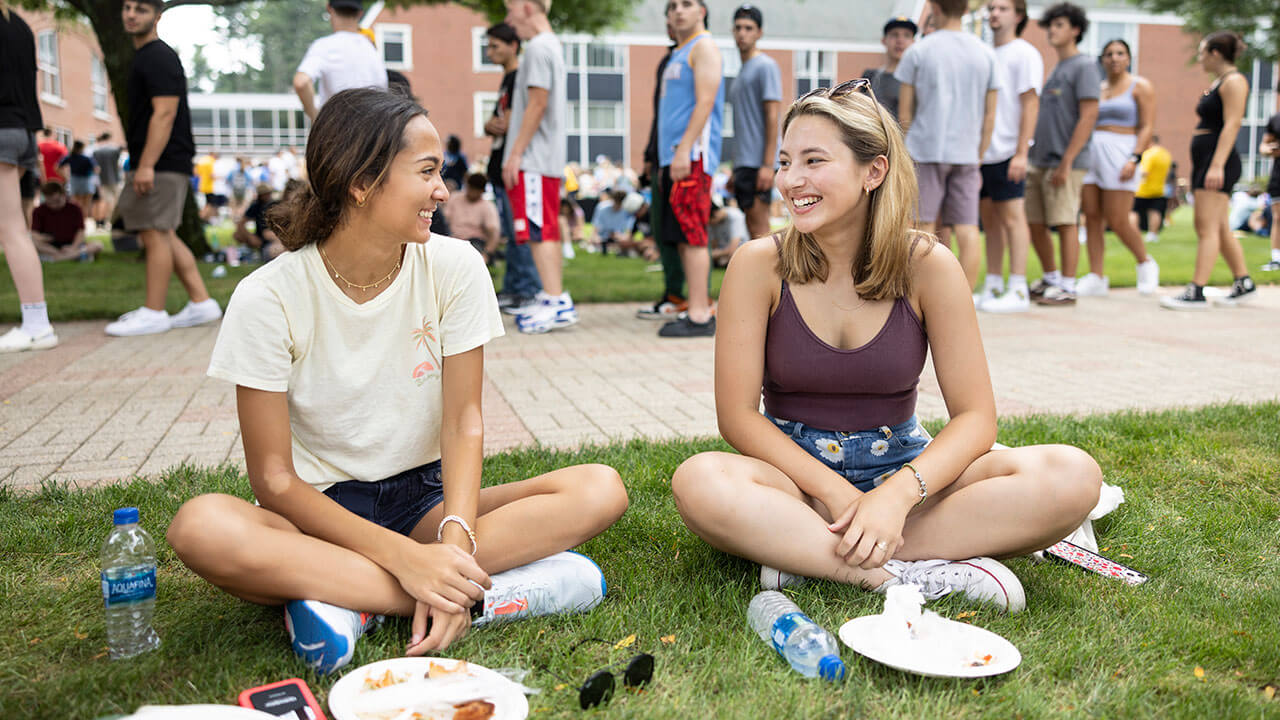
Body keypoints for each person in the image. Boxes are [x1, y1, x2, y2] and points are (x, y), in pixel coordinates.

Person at [166, 88, 628, 675]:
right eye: (428, 171)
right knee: (201, 527)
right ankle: (471, 595)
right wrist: (408, 562)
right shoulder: (268, 296)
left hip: (424, 503)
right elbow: (275, 480)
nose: (443, 189)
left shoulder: (455, 265)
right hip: (318, 514)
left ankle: (348, 602)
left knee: (600, 488)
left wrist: (453, 542)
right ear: (361, 182)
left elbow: (464, 421)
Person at [670, 79, 1102, 613]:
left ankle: (805, 552)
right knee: (700, 480)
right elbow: (737, 417)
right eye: (785, 162)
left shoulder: (929, 266)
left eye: (813, 161)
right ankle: (896, 574)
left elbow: (975, 420)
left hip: (904, 467)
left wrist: (895, 497)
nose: (790, 181)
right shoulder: (757, 265)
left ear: (873, 171)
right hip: (796, 480)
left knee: (1073, 475)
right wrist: (842, 496)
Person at [108, 0, 222, 336]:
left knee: (154, 232)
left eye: (140, 9)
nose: (130, 14)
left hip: (160, 162)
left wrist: (145, 165)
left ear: (157, 17)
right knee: (164, 232)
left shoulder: (158, 57)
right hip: (162, 161)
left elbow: (165, 114)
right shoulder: (146, 56)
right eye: (126, 7)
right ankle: (201, 303)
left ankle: (154, 312)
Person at [896, 0, 999, 291]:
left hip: (924, 149)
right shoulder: (986, 54)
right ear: (965, 10)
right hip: (966, 152)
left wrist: (905, 152)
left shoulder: (918, 51)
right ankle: (963, 298)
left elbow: (905, 114)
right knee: (967, 228)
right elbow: (990, 114)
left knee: (921, 226)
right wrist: (978, 154)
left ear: (935, 9)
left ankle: (918, 294)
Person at [1161, 32, 1256, 309]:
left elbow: (1233, 124)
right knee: (1221, 227)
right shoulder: (1220, 82)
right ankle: (1243, 282)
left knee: (1206, 227)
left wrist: (1216, 165)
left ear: (1216, 53)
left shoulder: (1234, 81)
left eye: (1202, 52)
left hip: (1218, 161)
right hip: (1209, 159)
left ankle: (1197, 291)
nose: (1199, 58)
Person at [502, 0, 575, 334]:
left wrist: (515, 154)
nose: (508, 17)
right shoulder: (551, 46)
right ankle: (553, 297)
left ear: (528, 6)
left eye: (510, 8)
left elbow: (537, 103)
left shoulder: (537, 49)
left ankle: (555, 299)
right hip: (544, 158)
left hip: (533, 158)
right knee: (543, 226)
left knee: (538, 229)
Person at [655, 0, 724, 338]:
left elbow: (706, 102)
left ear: (702, 11)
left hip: (692, 157)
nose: (678, 11)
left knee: (694, 234)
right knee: (683, 236)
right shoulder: (678, 52)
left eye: (686, 4)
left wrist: (684, 149)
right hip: (675, 159)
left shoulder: (704, 47)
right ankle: (694, 305)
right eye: (672, 7)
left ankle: (700, 314)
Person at [1025, 3, 1100, 306]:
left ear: (1075, 30)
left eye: (1059, 25)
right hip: (1040, 159)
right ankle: (1051, 278)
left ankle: (1068, 286)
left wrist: (1068, 161)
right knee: (1035, 221)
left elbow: (1089, 115)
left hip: (1064, 161)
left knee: (1065, 221)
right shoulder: (1058, 68)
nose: (1052, 31)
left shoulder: (1084, 66)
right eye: (1051, 25)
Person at [1078, 39, 1159, 297]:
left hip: (1121, 151)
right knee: (1091, 215)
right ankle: (1096, 276)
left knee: (1118, 218)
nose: (1114, 58)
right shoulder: (1097, 88)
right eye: (1109, 54)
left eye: (1120, 53)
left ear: (1128, 58)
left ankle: (1145, 263)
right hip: (1092, 151)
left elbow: (1147, 126)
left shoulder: (1140, 86)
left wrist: (1135, 158)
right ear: (1102, 59)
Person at [975, 0, 1041, 314]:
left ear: (1018, 15)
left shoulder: (1024, 53)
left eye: (1002, 8)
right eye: (991, 8)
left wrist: (1021, 151)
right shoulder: (984, 53)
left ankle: (1018, 287)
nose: (994, 14)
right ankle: (993, 285)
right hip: (982, 154)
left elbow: (1030, 104)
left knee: (1013, 219)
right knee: (990, 223)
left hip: (1009, 153)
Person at [0, 1, 58, 353]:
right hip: (20, 130)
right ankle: (36, 322)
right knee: (11, 227)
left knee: (11, 230)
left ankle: (37, 324)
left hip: (5, 130)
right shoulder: (19, 24)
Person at [483, 22, 542, 313]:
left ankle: (527, 289)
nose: (490, 51)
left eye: (496, 46)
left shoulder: (519, 77)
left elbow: (510, 122)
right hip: (498, 164)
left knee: (520, 230)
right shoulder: (507, 80)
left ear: (513, 46)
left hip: (513, 166)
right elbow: (495, 121)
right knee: (510, 229)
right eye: (488, 45)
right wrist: (489, 125)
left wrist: (499, 126)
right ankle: (513, 287)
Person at [636, 22, 688, 322]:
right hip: (661, 159)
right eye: (669, 10)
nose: (673, 18)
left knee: (687, 233)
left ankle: (692, 298)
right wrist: (649, 155)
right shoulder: (668, 61)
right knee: (663, 229)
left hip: (684, 158)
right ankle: (672, 294)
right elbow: (661, 116)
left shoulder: (698, 55)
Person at [727, 4, 781, 242]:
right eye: (738, 28)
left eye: (749, 28)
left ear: (759, 32)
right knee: (752, 228)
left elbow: (772, 115)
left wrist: (768, 165)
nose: (742, 33)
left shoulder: (765, 66)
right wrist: (734, 167)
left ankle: (777, 280)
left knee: (761, 231)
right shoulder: (742, 71)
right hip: (743, 162)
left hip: (759, 163)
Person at [293, 0, 388, 122]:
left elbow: (301, 82)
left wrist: (315, 118)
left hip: (338, 131)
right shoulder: (371, 49)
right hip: (371, 132)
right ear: (360, 13)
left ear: (329, 9)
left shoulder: (324, 46)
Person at [860, 17, 916, 122]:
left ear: (913, 42)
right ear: (884, 40)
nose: (900, 40)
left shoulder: (917, 80)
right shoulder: (870, 77)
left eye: (906, 35)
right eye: (894, 34)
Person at [31, 181, 103, 261]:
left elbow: (80, 232)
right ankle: (72, 256)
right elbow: (34, 234)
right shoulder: (39, 211)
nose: (53, 205)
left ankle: (62, 257)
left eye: (57, 201)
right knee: (31, 242)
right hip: (50, 247)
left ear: (63, 195)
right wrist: (44, 238)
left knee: (97, 245)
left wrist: (73, 247)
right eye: (50, 202)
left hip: (72, 245)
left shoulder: (75, 209)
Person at [448, 172, 501, 263]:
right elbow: (444, 219)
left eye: (475, 190)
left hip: (474, 242)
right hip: (451, 238)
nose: (472, 192)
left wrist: (487, 253)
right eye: (470, 188)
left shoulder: (487, 206)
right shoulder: (454, 198)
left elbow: (493, 232)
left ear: (482, 191)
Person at [1131, 136, 1171, 244]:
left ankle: (1134, 234)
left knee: (1134, 211)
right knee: (1155, 211)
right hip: (1159, 189)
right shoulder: (1166, 154)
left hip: (1143, 190)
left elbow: (1144, 172)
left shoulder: (1149, 154)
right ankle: (1153, 234)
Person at [232, 183, 284, 261]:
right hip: (262, 235)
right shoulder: (256, 206)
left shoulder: (274, 205)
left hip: (271, 235)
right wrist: (250, 236)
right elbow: (241, 223)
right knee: (237, 234)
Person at [1259, 99, 1280, 272]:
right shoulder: (1276, 119)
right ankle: (1276, 259)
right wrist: (1269, 150)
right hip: (1278, 177)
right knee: (1278, 218)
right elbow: (1263, 146)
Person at [587, 185, 637, 255]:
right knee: (594, 241)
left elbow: (628, 234)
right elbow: (595, 230)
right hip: (602, 238)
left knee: (625, 242)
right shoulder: (602, 208)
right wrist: (595, 237)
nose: (617, 205)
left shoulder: (628, 211)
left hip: (618, 239)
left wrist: (619, 236)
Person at [58, 140, 97, 215]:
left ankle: (76, 221)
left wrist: (65, 177)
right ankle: (83, 221)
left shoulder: (70, 157)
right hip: (86, 181)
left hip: (74, 181)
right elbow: (96, 169)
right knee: (85, 204)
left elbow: (57, 167)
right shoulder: (87, 158)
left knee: (76, 204)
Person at [92, 132, 123, 224]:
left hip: (103, 180)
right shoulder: (115, 149)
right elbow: (119, 165)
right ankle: (114, 220)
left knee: (106, 201)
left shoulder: (96, 151)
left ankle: (107, 219)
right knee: (116, 200)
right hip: (116, 179)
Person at [708, 194, 747, 267]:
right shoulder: (712, 222)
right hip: (723, 256)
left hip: (740, 254)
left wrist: (716, 254)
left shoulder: (735, 215)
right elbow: (713, 245)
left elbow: (733, 249)